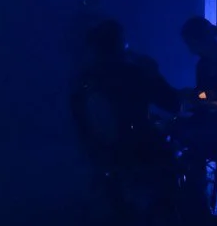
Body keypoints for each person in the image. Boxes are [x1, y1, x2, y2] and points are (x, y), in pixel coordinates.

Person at [71, 19, 181, 173]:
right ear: (121, 45)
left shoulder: (84, 80)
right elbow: (172, 103)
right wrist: (153, 74)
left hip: (100, 157)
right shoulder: (135, 75)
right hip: (138, 154)